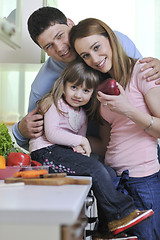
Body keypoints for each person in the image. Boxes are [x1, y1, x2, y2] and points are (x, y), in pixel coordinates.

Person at [29, 59, 153, 239]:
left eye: (86, 90)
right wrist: (82, 141)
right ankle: (123, 214)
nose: (79, 94)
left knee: (108, 172)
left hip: (63, 154)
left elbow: (79, 145)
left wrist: (82, 149)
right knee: (95, 169)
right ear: (63, 85)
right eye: (74, 87)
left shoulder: (81, 115)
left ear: (93, 94)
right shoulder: (53, 103)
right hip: (45, 154)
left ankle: (106, 229)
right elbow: (52, 133)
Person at [12, 7, 160, 152]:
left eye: (60, 36)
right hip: (91, 156)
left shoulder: (113, 42)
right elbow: (36, 143)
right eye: (49, 46)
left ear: (70, 23)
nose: (59, 48)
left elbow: (145, 82)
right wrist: (20, 131)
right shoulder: (43, 83)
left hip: (142, 146)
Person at [69, 17, 160, 240]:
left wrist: (127, 109)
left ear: (110, 39)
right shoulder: (100, 88)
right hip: (113, 182)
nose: (94, 59)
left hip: (143, 180)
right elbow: (107, 141)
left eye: (96, 47)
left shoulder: (142, 70)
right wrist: (71, 144)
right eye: (85, 55)